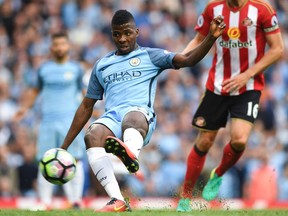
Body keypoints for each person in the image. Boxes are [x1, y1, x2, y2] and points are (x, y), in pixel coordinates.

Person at [60, 9, 226, 212]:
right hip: (112, 116)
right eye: (117, 34)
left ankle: (130, 151)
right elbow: (86, 106)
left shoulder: (151, 56)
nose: (122, 38)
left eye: (127, 33)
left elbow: (188, 60)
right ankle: (117, 199)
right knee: (92, 135)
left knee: (132, 118)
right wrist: (64, 147)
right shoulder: (102, 65)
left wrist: (210, 37)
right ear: (111, 34)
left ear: (137, 32)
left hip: (140, 115)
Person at [176, 0, 284, 212]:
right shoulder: (212, 9)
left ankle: (218, 174)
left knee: (240, 140)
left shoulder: (262, 9)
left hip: (248, 86)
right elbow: (199, 38)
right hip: (217, 86)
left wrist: (247, 74)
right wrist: (180, 57)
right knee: (205, 141)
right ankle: (185, 196)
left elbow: (278, 49)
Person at [14, 32, 86, 209]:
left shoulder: (76, 69)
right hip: (48, 122)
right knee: (45, 160)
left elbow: (84, 94)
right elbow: (34, 91)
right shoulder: (43, 69)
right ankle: (45, 202)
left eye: (63, 44)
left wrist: (93, 111)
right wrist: (24, 108)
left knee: (74, 159)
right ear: (51, 47)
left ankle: (75, 201)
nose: (60, 47)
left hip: (70, 122)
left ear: (68, 46)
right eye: (56, 44)